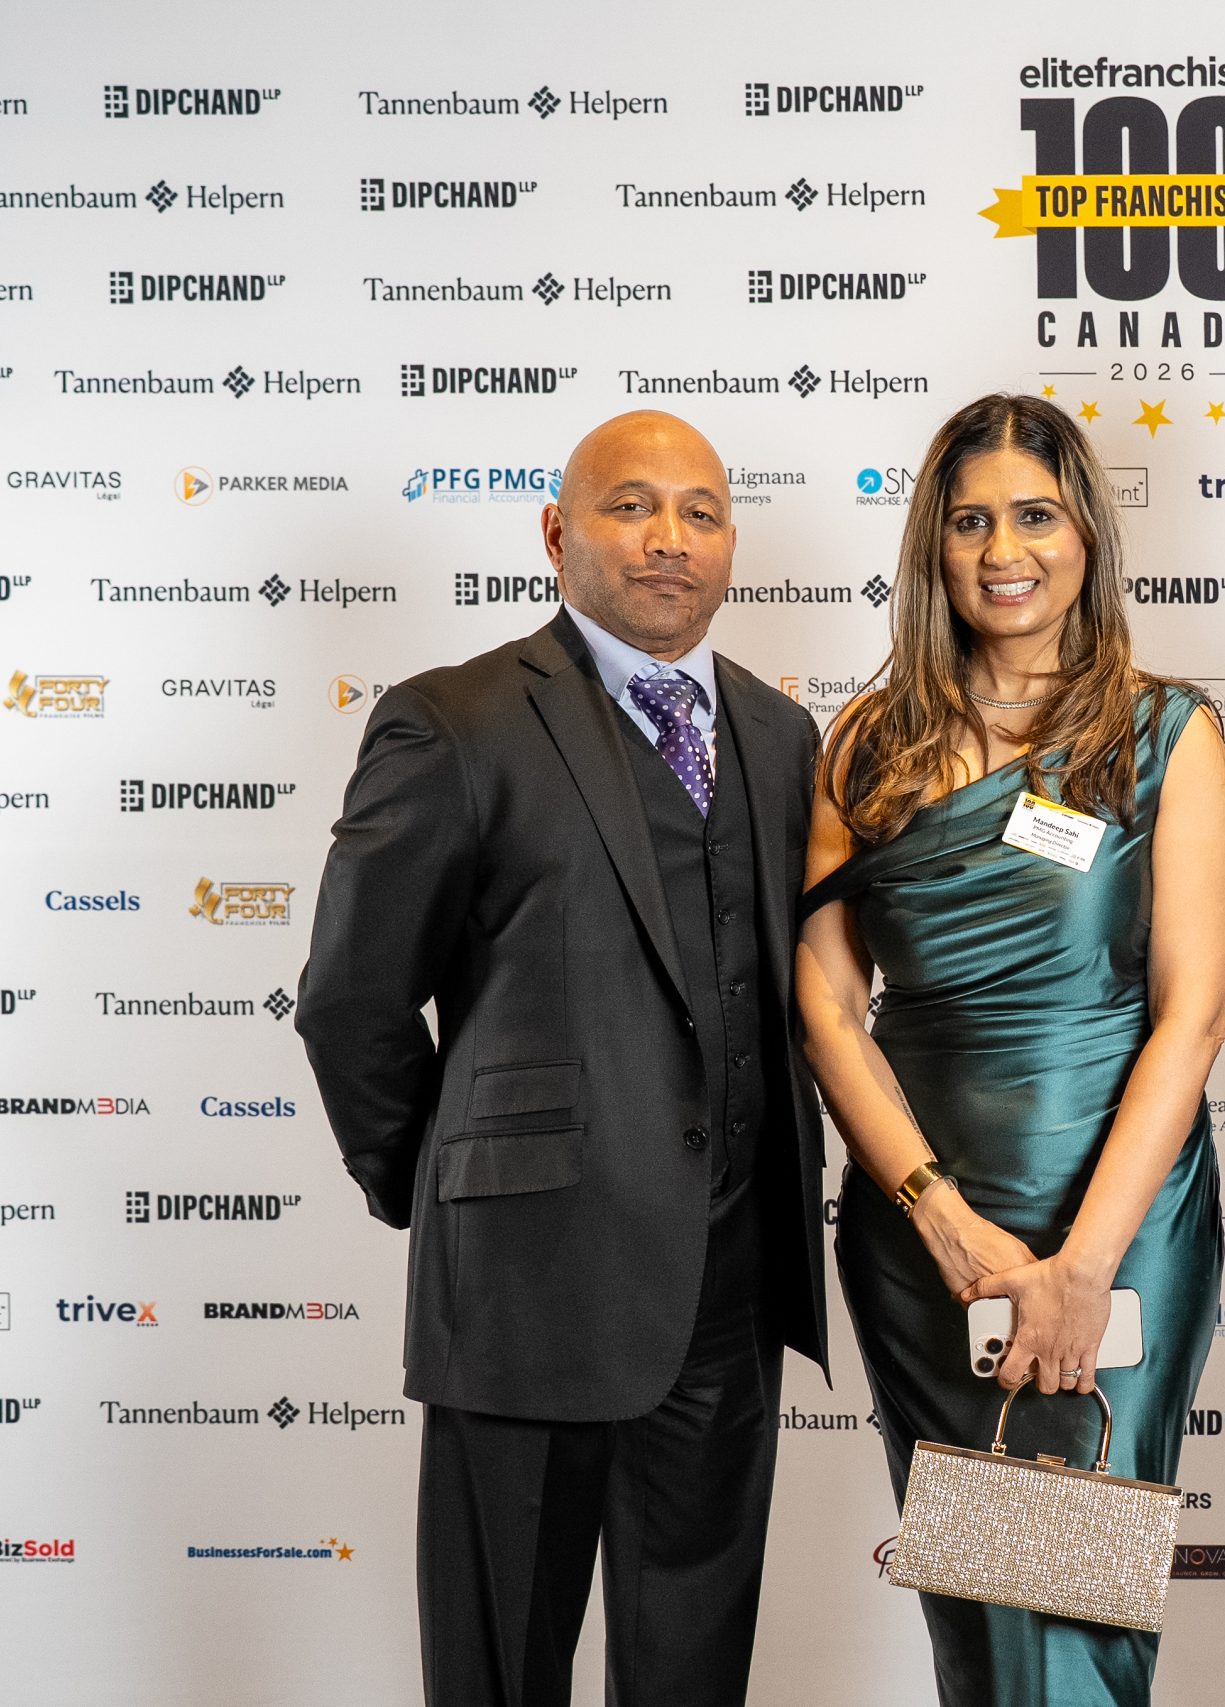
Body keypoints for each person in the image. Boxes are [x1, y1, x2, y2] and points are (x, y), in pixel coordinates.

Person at [293, 411, 827, 1707]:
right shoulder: (454, 722)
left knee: (695, 1677)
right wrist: (449, 1191)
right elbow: (351, 1003)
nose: (669, 538)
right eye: (631, 506)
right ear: (556, 534)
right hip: (525, 1296)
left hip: (732, 1297)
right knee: (501, 1674)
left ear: (730, 544)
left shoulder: (781, 737)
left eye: (701, 513)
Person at [795, 393, 1225, 1707]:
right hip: (927, 1234)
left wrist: (1081, 1268)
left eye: (1036, 515)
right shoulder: (867, 744)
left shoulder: (1166, 736)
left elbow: (1193, 1017)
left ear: (1087, 535)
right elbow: (828, 1005)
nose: (1004, 550)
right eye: (970, 521)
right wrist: (939, 1218)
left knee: (1079, 1613)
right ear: (932, 547)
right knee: (986, 1621)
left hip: (1117, 1227)